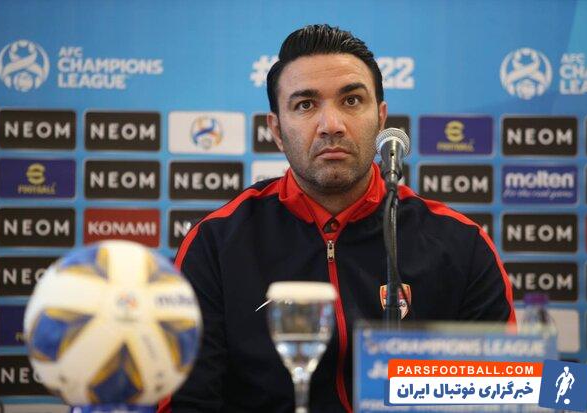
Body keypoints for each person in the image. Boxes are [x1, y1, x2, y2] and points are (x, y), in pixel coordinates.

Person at [158, 24, 515, 413]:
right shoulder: (217, 244)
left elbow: (502, 393)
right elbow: (188, 403)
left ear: (381, 118)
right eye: (305, 105)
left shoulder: (460, 244)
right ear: (276, 130)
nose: (332, 125)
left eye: (351, 100)